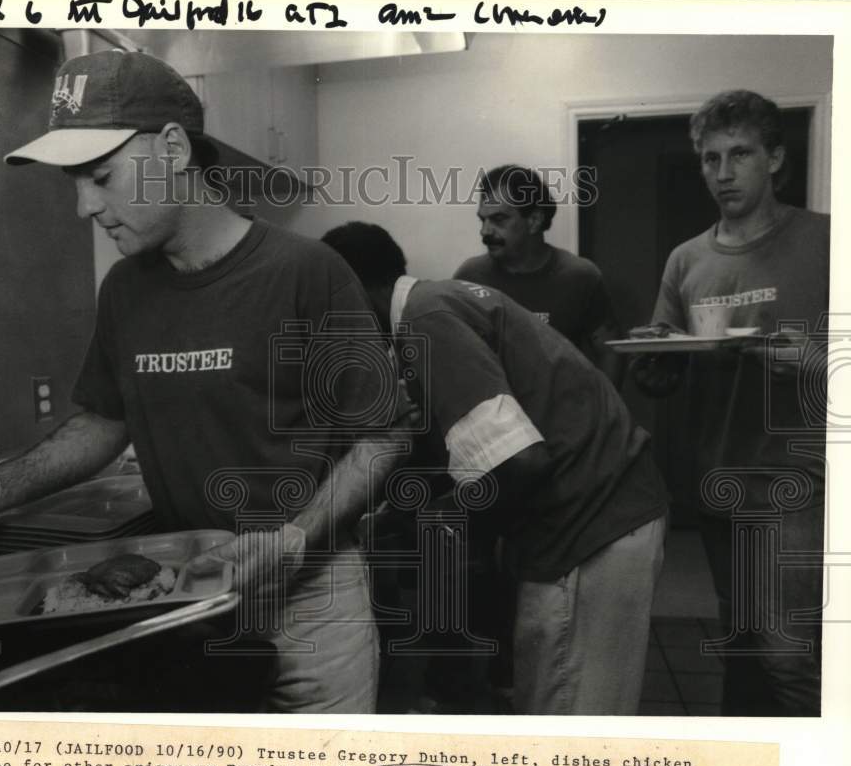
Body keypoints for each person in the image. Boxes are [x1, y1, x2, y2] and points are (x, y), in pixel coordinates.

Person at [0, 51, 410, 713]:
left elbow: (382, 436)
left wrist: (295, 536)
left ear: (171, 149)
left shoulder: (306, 271)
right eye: (76, 182)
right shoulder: (126, 291)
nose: (84, 206)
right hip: (188, 586)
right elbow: (102, 425)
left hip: (310, 592)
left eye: (100, 177)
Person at [323, 221, 668, 715]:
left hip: (594, 524)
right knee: (551, 700)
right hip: (595, 514)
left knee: (570, 724)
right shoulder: (436, 303)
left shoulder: (426, 319)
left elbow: (519, 462)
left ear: (351, 288)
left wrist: (437, 514)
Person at [633, 89, 830, 716]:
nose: (723, 173)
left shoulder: (826, 241)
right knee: (740, 644)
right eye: (710, 158)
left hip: (800, 480)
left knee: (791, 655)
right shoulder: (686, 259)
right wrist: (652, 359)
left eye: (739, 154)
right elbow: (661, 378)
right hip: (717, 474)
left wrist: (818, 360)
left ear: (774, 158)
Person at [455, 165, 623, 386]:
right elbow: (454, 354)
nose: (485, 231)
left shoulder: (580, 276)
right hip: (496, 415)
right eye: (482, 220)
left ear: (534, 221)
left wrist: (603, 415)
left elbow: (610, 351)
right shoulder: (471, 277)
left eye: (498, 219)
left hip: (564, 414)